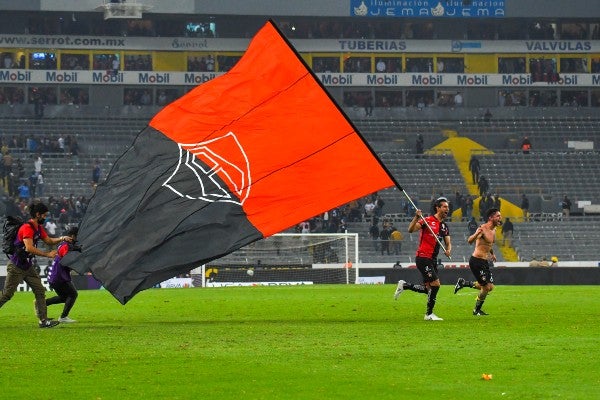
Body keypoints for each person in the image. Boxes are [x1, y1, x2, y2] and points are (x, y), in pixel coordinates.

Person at [0, 202, 73, 328]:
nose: (46, 218)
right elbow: (29, 248)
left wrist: (62, 238)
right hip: (16, 267)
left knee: (40, 291)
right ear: (38, 215)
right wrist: (47, 254)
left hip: (27, 267)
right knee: (7, 294)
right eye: (44, 215)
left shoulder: (38, 228)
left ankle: (43, 321)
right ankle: (43, 320)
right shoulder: (27, 228)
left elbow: (49, 241)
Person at [394, 197, 452, 321]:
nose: (447, 209)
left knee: (428, 289)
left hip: (433, 259)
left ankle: (404, 285)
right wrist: (416, 217)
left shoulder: (444, 226)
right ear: (438, 207)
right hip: (423, 257)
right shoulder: (427, 220)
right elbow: (410, 230)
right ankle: (429, 314)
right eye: (445, 207)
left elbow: (448, 242)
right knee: (436, 284)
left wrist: (448, 250)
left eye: (448, 207)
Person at [453, 208, 502, 316]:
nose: (500, 218)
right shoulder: (482, 229)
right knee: (486, 287)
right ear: (491, 218)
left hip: (484, 261)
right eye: (498, 216)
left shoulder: (494, 230)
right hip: (476, 261)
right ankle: (476, 310)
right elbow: (470, 241)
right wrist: (476, 235)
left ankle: (463, 283)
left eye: (500, 216)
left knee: (490, 287)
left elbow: (489, 245)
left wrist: (492, 254)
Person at [45, 226, 79, 323]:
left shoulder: (64, 244)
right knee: (73, 294)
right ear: (72, 236)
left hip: (57, 276)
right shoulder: (66, 246)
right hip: (59, 276)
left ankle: (42, 303)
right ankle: (63, 317)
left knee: (65, 297)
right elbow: (67, 259)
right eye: (77, 236)